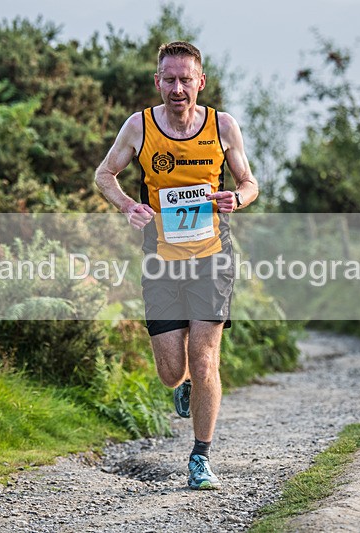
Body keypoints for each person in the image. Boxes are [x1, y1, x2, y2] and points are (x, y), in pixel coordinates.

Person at [94, 41, 258, 490]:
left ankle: (200, 457)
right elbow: (104, 174)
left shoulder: (223, 126)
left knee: (204, 361)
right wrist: (129, 206)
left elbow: (248, 182)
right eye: (170, 79)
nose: (178, 88)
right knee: (172, 370)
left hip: (213, 256)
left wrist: (237, 198)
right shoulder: (140, 127)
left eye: (187, 79)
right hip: (161, 259)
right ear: (158, 82)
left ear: (200, 82)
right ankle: (183, 385)